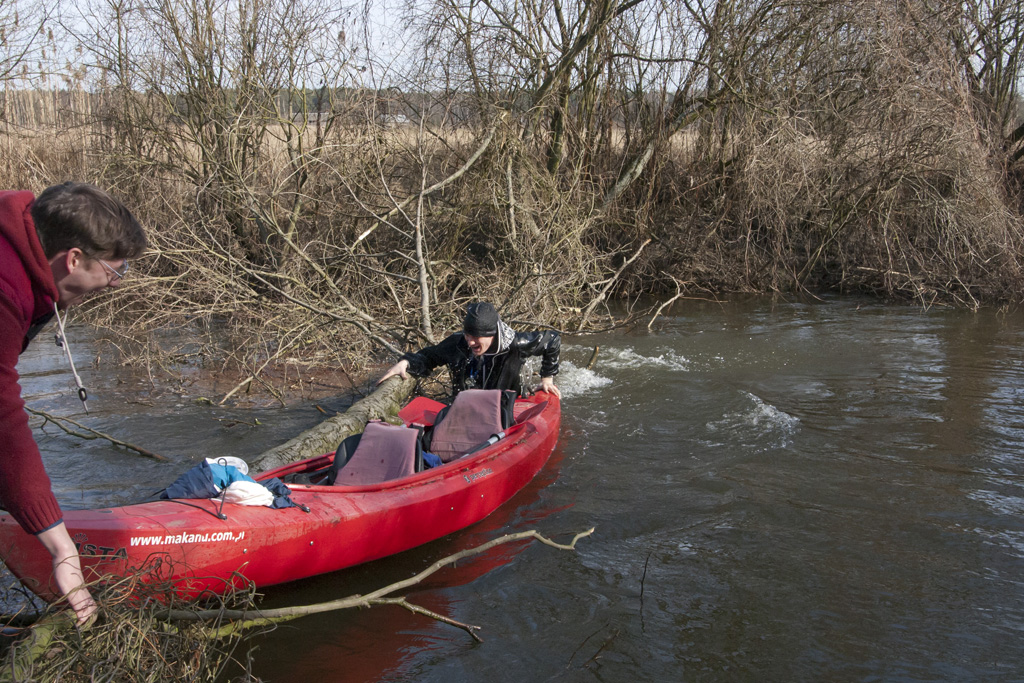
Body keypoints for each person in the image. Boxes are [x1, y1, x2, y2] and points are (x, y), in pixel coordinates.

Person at [0, 182, 147, 625]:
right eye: (114, 270)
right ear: (74, 259)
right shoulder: (5, 288)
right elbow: (4, 420)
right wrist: (62, 547)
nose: (115, 283)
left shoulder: (21, 254)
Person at [378, 302, 562, 399]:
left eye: (476, 336)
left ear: (492, 335)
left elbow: (552, 340)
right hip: (464, 407)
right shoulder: (458, 343)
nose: (470, 342)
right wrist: (406, 362)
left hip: (506, 406)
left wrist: (547, 379)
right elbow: (429, 356)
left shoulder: (516, 344)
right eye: (468, 334)